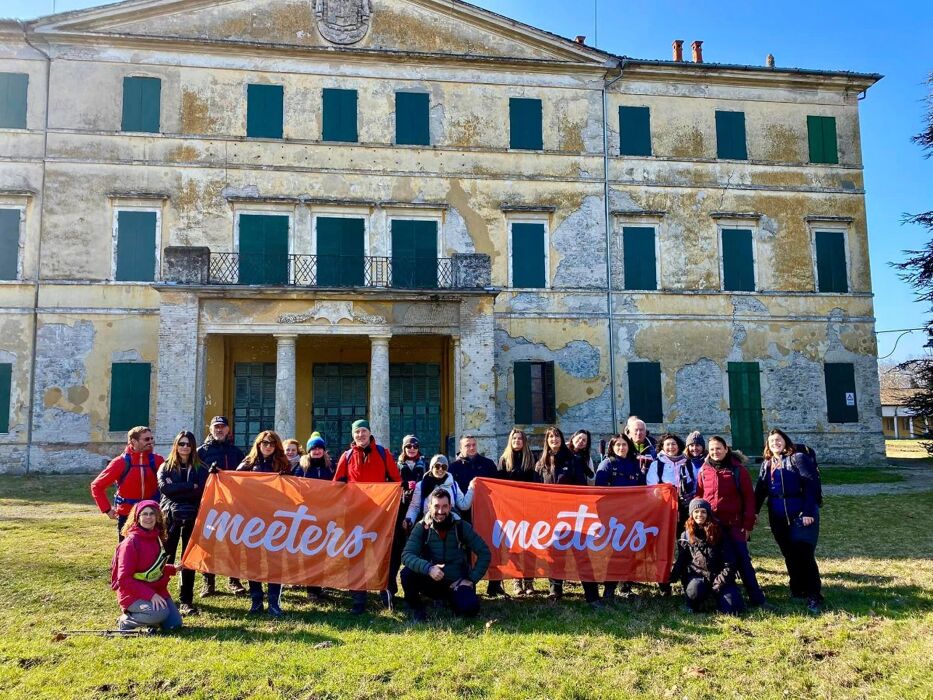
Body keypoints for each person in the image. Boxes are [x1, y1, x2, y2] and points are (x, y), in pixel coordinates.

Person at [332, 419, 402, 614]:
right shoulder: (346, 457)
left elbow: (396, 480)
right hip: (354, 516)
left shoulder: (382, 453)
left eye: (363, 431)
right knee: (356, 557)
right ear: (353, 436)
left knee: (381, 555)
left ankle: (385, 594)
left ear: (369, 433)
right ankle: (358, 599)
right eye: (357, 432)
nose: (360, 435)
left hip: (379, 515)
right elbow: (337, 484)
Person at [755, 429, 824, 613]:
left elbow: (812, 484)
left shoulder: (798, 458)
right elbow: (760, 490)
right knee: (789, 554)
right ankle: (797, 589)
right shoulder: (767, 464)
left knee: (804, 554)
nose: (775, 443)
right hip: (777, 516)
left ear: (785, 441)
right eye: (771, 441)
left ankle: (814, 595)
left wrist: (808, 511)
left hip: (801, 514)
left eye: (778, 440)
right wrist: (754, 512)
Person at [695, 435, 768, 608]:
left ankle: (757, 598)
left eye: (718, 448)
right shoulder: (704, 471)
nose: (715, 452)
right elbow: (699, 496)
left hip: (734, 524)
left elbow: (749, 499)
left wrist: (747, 524)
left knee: (743, 560)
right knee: (713, 560)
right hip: (712, 525)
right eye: (712, 449)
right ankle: (714, 591)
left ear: (726, 449)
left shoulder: (738, 470)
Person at [400, 488, 492, 622]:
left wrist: (471, 579)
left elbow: (484, 553)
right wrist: (429, 568)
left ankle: (450, 600)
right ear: (429, 506)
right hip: (431, 579)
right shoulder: (422, 527)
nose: (440, 511)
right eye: (436, 506)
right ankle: (415, 606)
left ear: (450, 507)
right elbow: (406, 555)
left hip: (456, 582)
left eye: (444, 506)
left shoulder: (461, 526)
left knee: (471, 609)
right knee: (407, 574)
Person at [237, 430, 291, 617]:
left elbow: (292, 490)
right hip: (253, 520)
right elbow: (233, 482)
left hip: (276, 520)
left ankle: (274, 602)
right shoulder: (248, 463)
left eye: (271, 443)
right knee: (253, 560)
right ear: (258, 444)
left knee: (274, 561)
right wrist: (217, 474)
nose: (268, 446)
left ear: (276, 446)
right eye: (264, 443)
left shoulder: (283, 464)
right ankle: (256, 600)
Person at [110, 500, 182, 632]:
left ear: (158, 517)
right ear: (137, 517)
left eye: (152, 514)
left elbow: (152, 568)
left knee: (174, 624)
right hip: (133, 594)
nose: (148, 517)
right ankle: (125, 621)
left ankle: (150, 619)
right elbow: (124, 580)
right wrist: (150, 596)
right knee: (160, 613)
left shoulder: (156, 537)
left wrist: (173, 568)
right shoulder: (130, 543)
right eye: (144, 514)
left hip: (154, 589)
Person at [157, 430, 208, 616]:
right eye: (181, 443)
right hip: (169, 518)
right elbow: (165, 488)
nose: (185, 447)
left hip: (193, 517)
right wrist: (189, 486)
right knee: (166, 557)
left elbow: (201, 491)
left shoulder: (200, 468)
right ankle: (160, 594)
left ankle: (186, 599)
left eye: (188, 444)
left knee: (188, 559)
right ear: (176, 445)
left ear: (193, 446)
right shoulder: (166, 467)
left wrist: (181, 489)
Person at [536, 426, 588, 600]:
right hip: (549, 514)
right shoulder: (541, 463)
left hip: (571, 514)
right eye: (550, 437)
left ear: (562, 438)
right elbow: (535, 489)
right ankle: (555, 589)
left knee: (580, 552)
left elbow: (581, 486)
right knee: (555, 552)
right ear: (547, 441)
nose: (554, 439)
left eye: (557, 436)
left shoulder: (573, 460)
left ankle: (591, 592)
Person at [590, 433, 644, 602]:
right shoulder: (607, 465)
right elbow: (599, 492)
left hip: (632, 515)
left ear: (629, 446)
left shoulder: (635, 465)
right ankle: (609, 587)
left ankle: (626, 586)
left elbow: (643, 489)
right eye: (618, 445)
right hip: (613, 517)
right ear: (612, 448)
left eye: (624, 444)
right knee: (614, 552)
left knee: (630, 551)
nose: (621, 448)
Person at [196, 416, 246, 597]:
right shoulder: (201, 452)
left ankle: (234, 581)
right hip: (210, 504)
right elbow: (196, 476)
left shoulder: (236, 452)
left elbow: (244, 477)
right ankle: (208, 583)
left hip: (232, 505)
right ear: (211, 429)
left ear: (228, 430)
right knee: (208, 544)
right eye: (216, 427)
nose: (219, 430)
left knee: (234, 542)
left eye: (222, 427)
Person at [670, 499, 745, 615]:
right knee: (694, 593)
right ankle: (700, 598)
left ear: (708, 513)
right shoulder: (686, 534)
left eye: (703, 512)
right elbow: (682, 559)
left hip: (720, 575)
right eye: (696, 512)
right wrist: (672, 576)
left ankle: (721, 596)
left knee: (732, 609)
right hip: (698, 576)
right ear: (692, 514)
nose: (700, 515)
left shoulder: (720, 532)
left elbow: (730, 562)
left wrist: (719, 583)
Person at [91, 426, 164, 542]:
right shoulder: (120, 463)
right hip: (127, 515)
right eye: (146, 439)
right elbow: (97, 486)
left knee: (151, 550)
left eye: (151, 439)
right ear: (133, 441)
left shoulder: (157, 461)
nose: (150, 442)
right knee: (127, 550)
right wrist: (107, 509)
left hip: (151, 515)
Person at [292, 431, 333, 601]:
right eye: (313, 448)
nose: (316, 451)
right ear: (308, 451)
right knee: (308, 551)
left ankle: (318, 585)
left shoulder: (331, 466)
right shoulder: (301, 467)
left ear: (324, 450)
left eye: (319, 448)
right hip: (306, 515)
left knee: (321, 552)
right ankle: (310, 588)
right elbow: (293, 487)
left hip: (325, 514)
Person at [495, 427, 536, 596]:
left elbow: (535, 483)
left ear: (524, 441)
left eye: (520, 439)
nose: (517, 441)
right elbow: (497, 484)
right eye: (514, 439)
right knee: (515, 546)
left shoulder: (531, 459)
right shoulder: (504, 460)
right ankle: (516, 580)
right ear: (510, 441)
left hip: (528, 508)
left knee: (530, 545)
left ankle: (529, 580)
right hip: (511, 510)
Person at [404, 455, 475, 525]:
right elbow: (415, 507)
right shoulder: (421, 485)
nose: (440, 469)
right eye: (437, 466)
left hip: (449, 525)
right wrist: (409, 520)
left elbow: (464, 505)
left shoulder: (453, 485)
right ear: (431, 467)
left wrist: (471, 488)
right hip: (428, 524)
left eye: (444, 467)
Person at [449, 434, 498, 522]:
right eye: (467, 445)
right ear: (460, 448)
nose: (472, 448)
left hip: (486, 512)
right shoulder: (453, 468)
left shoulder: (488, 464)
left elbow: (497, 486)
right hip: (463, 515)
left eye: (474, 445)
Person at [397, 434, 427, 518]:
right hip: (402, 502)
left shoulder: (425, 464)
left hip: (419, 501)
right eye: (409, 446)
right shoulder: (397, 465)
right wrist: (405, 484)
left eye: (415, 446)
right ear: (404, 448)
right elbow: (393, 482)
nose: (412, 449)